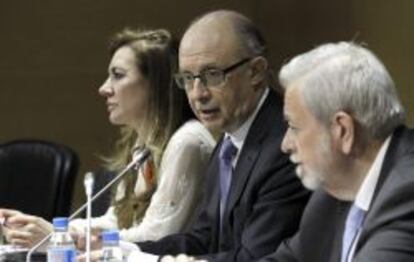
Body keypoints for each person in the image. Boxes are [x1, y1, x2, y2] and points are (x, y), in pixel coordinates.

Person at [0, 28, 216, 248]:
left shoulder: (188, 141)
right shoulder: (141, 144)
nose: (104, 89)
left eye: (118, 75)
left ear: (155, 84)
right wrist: (46, 229)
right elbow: (116, 222)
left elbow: (155, 237)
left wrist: (64, 239)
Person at [129, 10, 310, 262]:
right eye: (188, 78)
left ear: (256, 72)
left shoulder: (285, 146)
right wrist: (127, 253)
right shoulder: (229, 139)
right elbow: (204, 239)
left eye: (212, 75)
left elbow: (255, 256)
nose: (197, 94)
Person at [259, 42, 414, 261]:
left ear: (343, 130)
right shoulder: (331, 194)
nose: (285, 144)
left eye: (294, 127)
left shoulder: (407, 194)